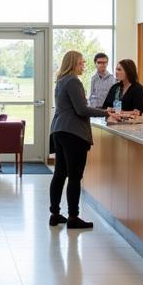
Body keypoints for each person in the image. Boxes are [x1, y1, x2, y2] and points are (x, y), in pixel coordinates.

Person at [50, 50, 109, 229]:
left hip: (59, 130)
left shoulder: (61, 81)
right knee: (75, 176)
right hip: (73, 133)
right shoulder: (73, 81)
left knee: (60, 173)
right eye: (82, 63)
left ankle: (55, 214)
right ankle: (73, 217)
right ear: (74, 64)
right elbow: (82, 110)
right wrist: (107, 112)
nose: (84, 66)